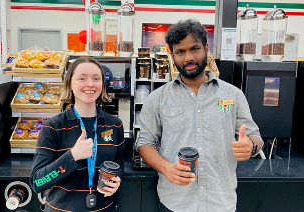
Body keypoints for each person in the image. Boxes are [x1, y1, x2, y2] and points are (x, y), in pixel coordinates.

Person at [135, 19, 263, 212]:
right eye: (180, 52)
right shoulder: (157, 98)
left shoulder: (233, 95)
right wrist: (166, 168)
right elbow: (144, 142)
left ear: (206, 48)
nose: (188, 58)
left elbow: (255, 136)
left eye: (194, 49)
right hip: (175, 203)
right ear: (172, 55)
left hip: (221, 203)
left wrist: (251, 145)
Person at [30, 57, 125, 212]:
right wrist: (72, 156)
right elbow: (38, 182)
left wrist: (118, 178)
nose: (90, 84)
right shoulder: (52, 127)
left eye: (96, 78)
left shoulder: (115, 124)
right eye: (82, 78)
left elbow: (119, 163)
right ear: (70, 84)